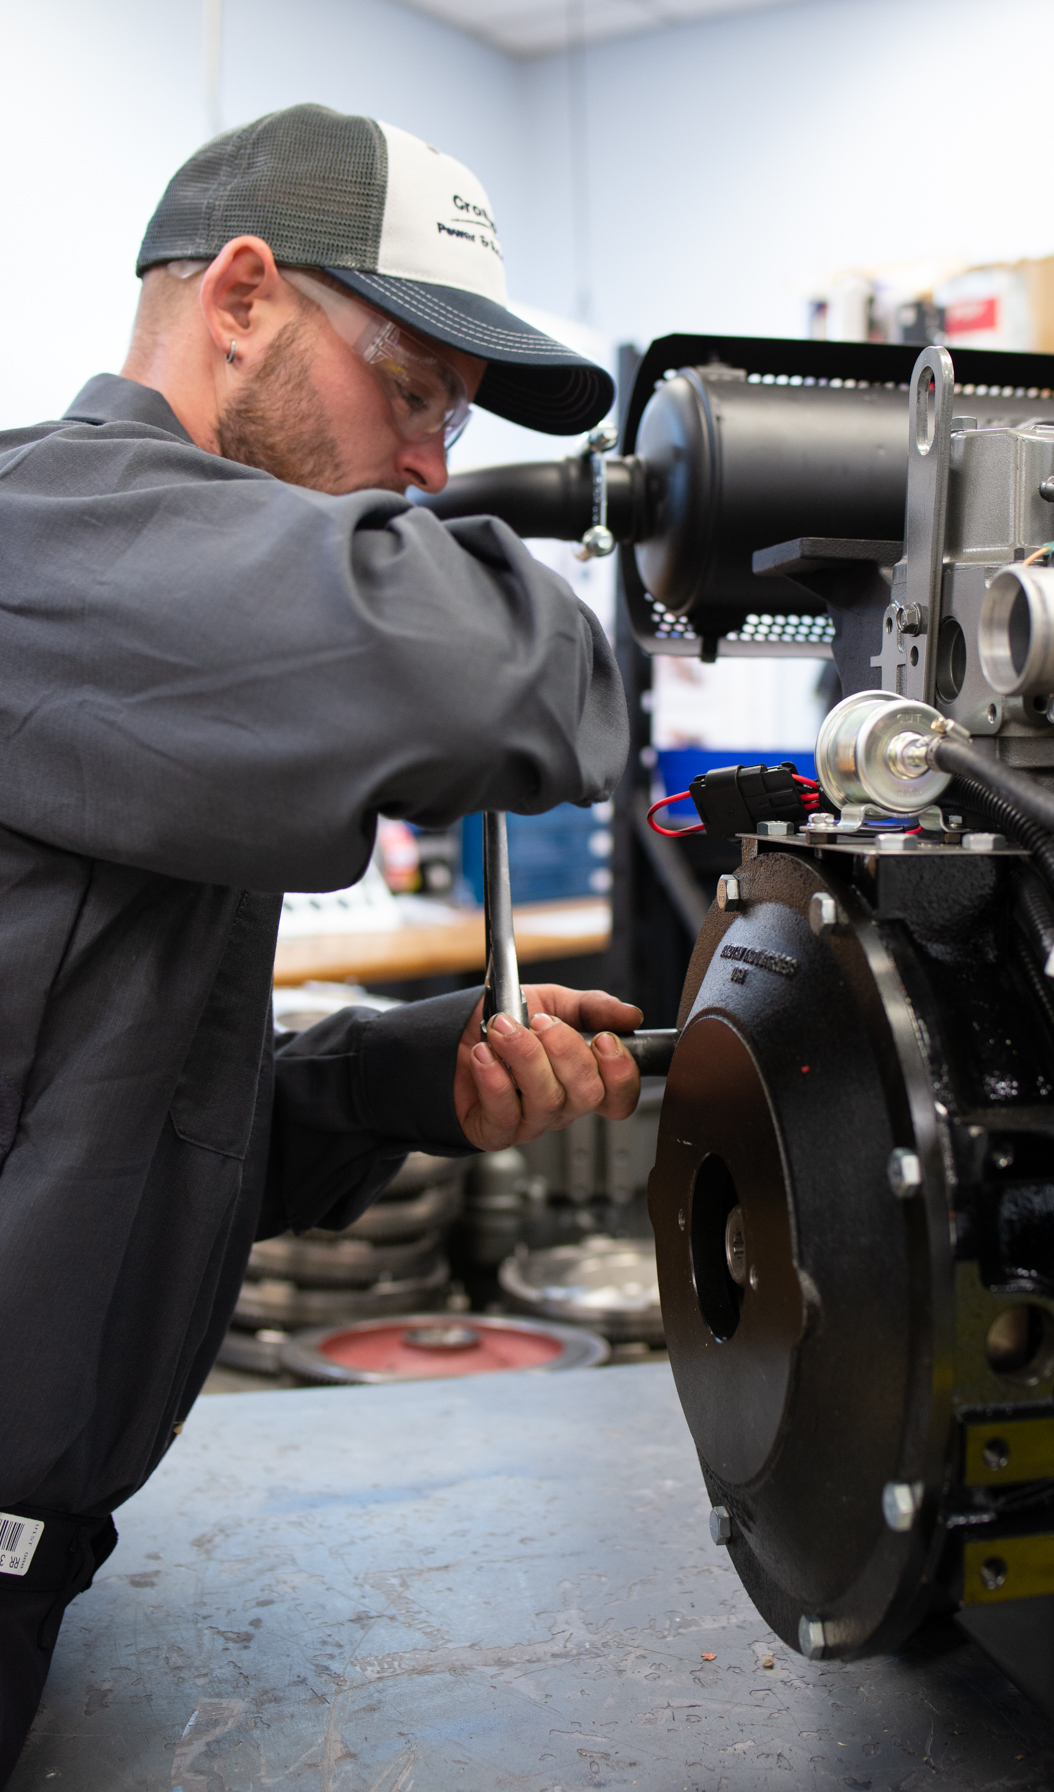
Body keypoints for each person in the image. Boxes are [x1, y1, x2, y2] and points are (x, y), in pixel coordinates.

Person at [0, 103, 642, 1783]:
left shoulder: (166, 635)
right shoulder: (48, 546)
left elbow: (95, 1138)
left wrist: (393, 1079)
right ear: (239, 301)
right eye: (414, 387)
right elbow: (517, 671)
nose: (431, 458)